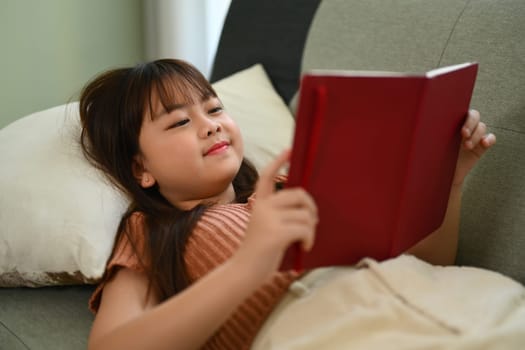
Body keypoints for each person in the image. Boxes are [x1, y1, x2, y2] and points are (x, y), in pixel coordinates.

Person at [79, 58, 496, 350]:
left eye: (214, 108)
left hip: (412, 301)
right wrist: (250, 264)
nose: (211, 126)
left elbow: (429, 264)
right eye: (180, 121)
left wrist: (448, 180)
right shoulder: (151, 231)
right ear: (141, 170)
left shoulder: (293, 188)